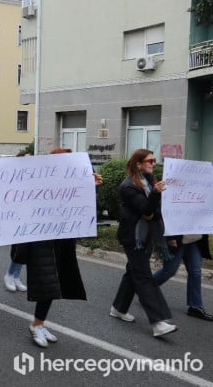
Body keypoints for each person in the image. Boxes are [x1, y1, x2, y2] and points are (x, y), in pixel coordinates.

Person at [14, 147, 102, 348]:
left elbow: (81, 207)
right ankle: (36, 325)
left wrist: (91, 187)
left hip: (61, 241)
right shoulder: (39, 185)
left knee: (55, 285)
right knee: (47, 284)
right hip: (40, 242)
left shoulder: (69, 184)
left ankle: (39, 322)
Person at [110, 149, 177, 338]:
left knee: (133, 272)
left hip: (146, 236)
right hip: (133, 238)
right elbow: (147, 210)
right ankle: (158, 322)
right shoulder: (128, 186)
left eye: (155, 161)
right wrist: (155, 195)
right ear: (138, 164)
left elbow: (156, 211)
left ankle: (118, 308)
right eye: (150, 161)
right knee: (144, 276)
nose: (153, 164)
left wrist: (168, 231)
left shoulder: (150, 181)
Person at [154, 234, 213, 321]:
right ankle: (145, 290)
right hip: (177, 238)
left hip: (195, 239)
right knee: (169, 271)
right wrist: (170, 237)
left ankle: (195, 306)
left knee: (195, 272)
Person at [3, 150, 31, 293]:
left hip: (29, 219)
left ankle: (16, 276)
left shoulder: (32, 177)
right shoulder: (13, 177)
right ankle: (9, 275)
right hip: (16, 219)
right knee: (18, 250)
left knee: (25, 250)